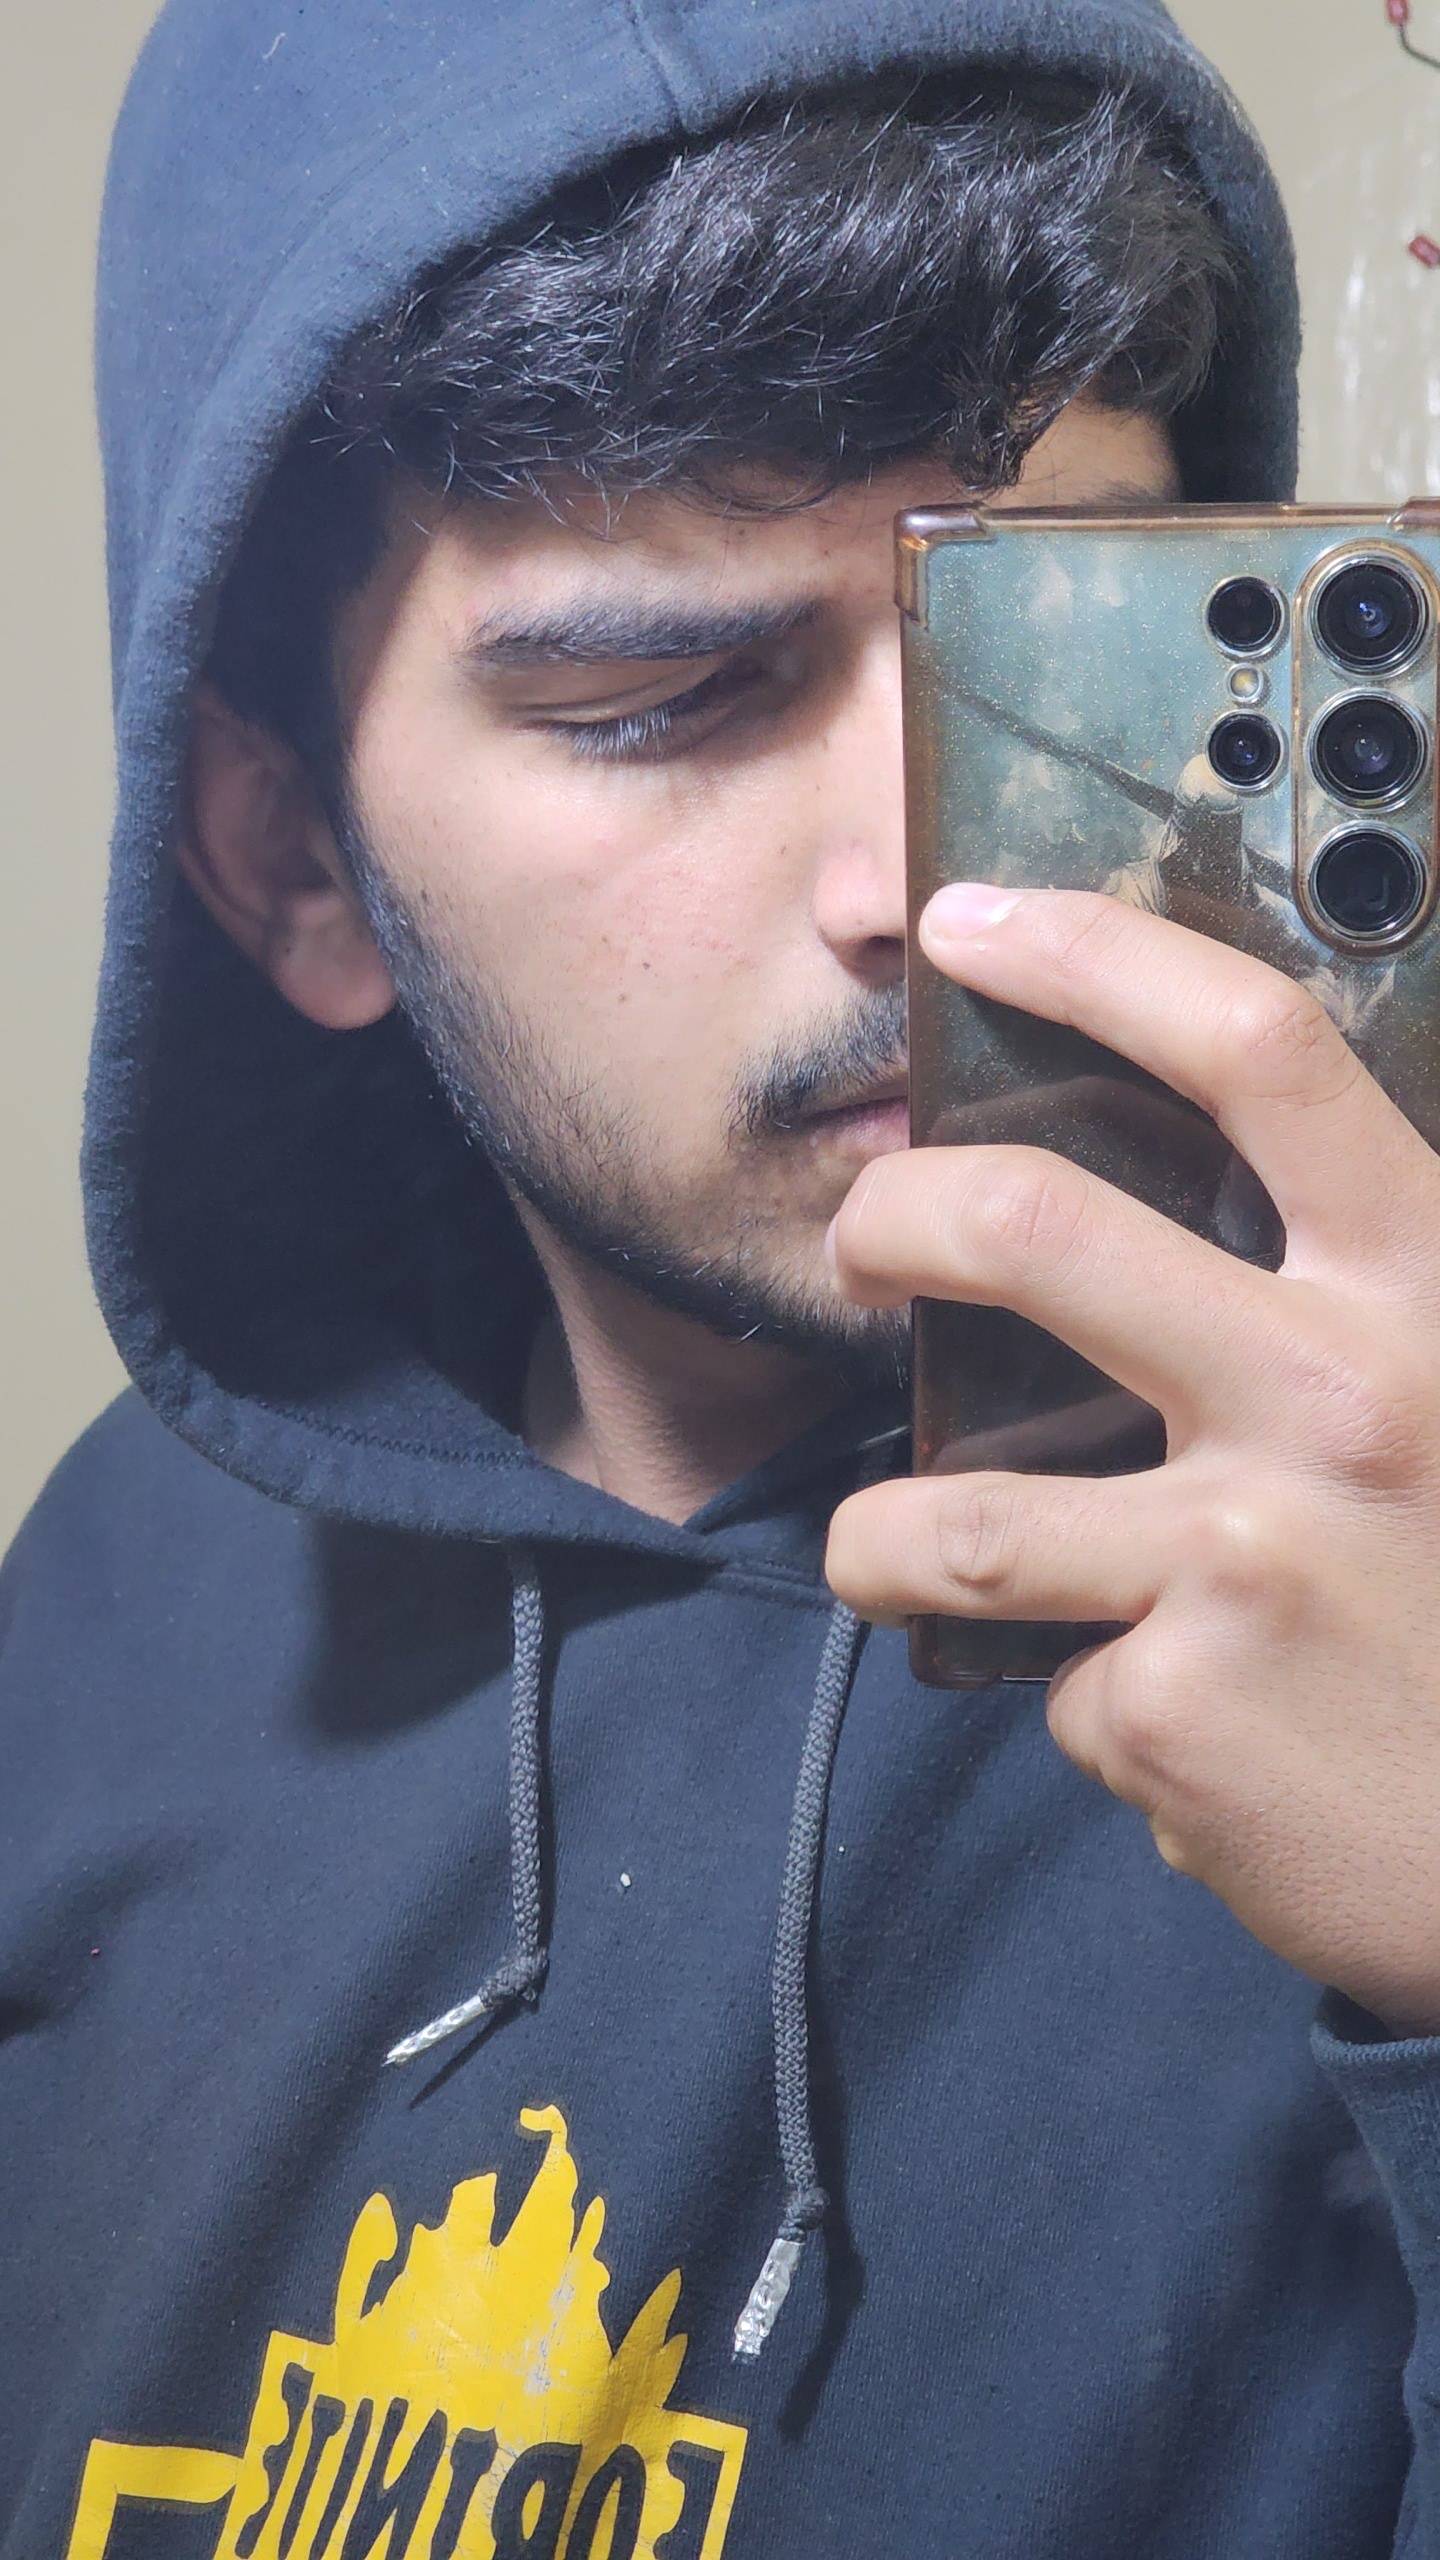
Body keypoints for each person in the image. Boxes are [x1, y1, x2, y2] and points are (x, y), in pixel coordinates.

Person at [6, 0, 1440, 2551]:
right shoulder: (115, 1600)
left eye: (1042, 645)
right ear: (293, 861)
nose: (928, 880)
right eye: (662, 697)